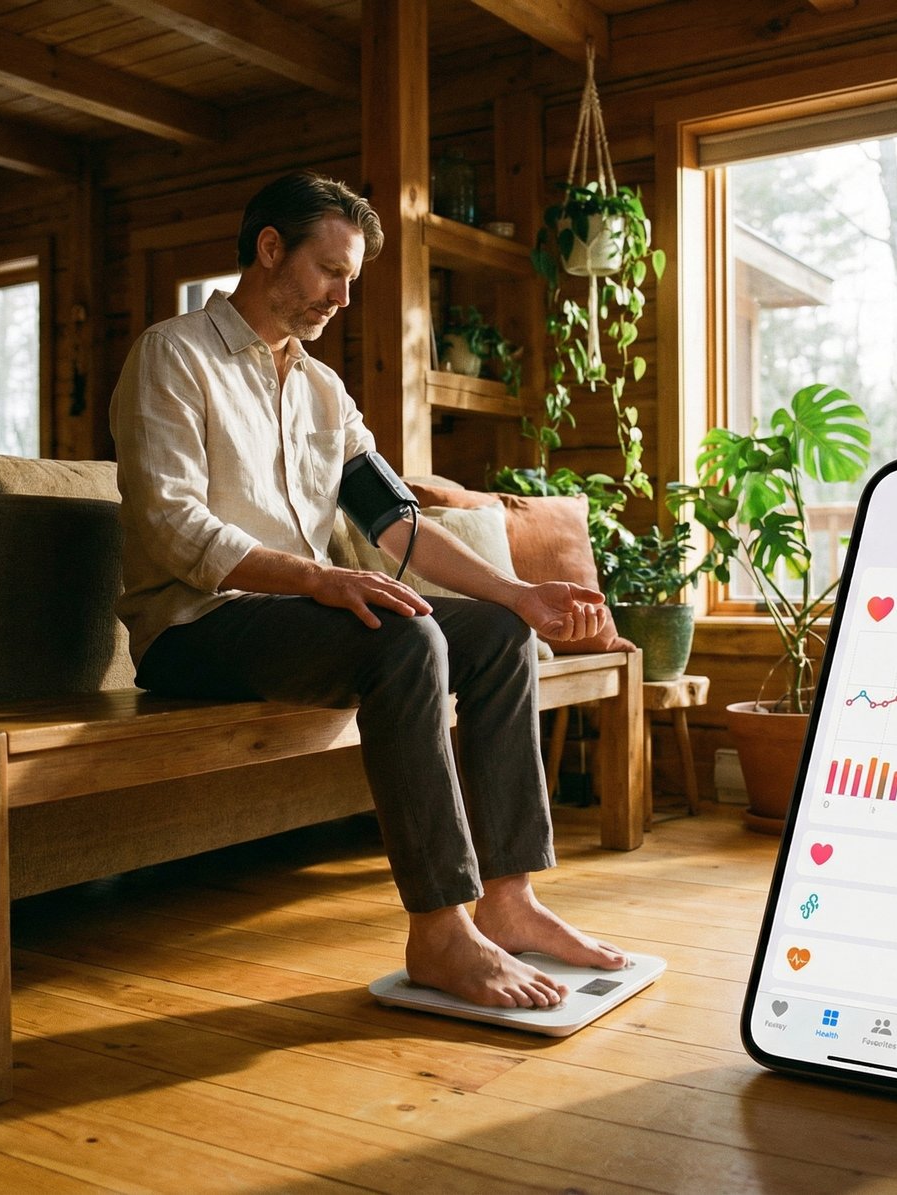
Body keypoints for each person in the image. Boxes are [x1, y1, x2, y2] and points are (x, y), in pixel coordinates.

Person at [110, 170, 627, 1009]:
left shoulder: (320, 389)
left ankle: (509, 902)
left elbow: (398, 524)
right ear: (270, 249)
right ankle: (439, 929)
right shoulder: (173, 355)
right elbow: (174, 526)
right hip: (195, 629)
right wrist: (316, 575)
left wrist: (520, 594)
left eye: (352, 280)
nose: (342, 298)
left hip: (302, 621)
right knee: (403, 637)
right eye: (331, 271)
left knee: (495, 634)